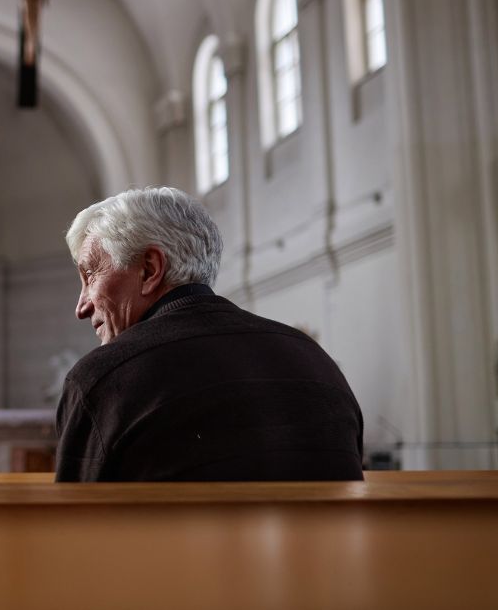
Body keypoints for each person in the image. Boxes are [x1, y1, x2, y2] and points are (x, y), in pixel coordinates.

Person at [56, 186, 363, 482]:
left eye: (90, 275)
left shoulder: (103, 381)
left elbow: (77, 527)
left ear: (150, 270)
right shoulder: (317, 361)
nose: (81, 307)